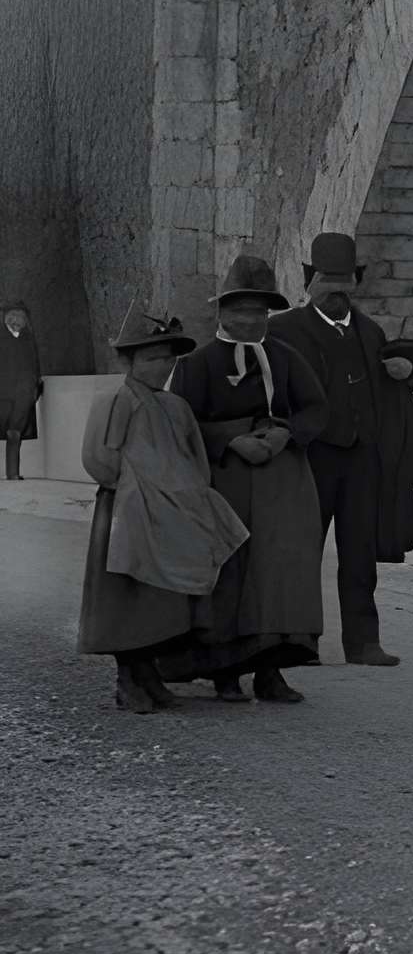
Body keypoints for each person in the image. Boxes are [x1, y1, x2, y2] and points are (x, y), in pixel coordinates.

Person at [265, 231, 413, 667]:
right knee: (300, 549)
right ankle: (299, 639)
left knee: (360, 552)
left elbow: (399, 385)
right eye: (328, 279)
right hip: (308, 458)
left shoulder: (371, 332)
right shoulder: (282, 329)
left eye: (345, 279)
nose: (337, 289)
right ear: (311, 282)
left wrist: (407, 374)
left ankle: (363, 641)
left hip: (361, 461)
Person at [169, 255, 328, 704]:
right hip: (226, 477)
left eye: (259, 312)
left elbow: (317, 409)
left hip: (283, 479)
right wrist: (229, 440)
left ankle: (271, 671)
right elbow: (182, 421)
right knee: (230, 569)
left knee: (279, 570)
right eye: (240, 310)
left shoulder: (287, 358)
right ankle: (224, 671)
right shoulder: (196, 364)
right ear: (221, 313)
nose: (249, 320)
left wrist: (284, 434)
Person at [77, 308, 248, 715]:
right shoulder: (115, 400)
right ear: (128, 362)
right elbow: (100, 458)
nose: (162, 367)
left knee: (162, 597)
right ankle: (127, 677)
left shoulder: (176, 407)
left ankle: (149, 671)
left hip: (176, 510)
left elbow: (194, 458)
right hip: (129, 508)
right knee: (127, 594)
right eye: (152, 359)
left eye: (167, 359)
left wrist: (189, 495)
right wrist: (137, 490)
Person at [0, 297, 41, 480]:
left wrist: (35, 387)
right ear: (5, 316)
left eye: (20, 316)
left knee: (15, 434)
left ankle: (13, 474)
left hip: (23, 395)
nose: (16, 320)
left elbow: (35, 365)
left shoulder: (28, 339)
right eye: (13, 315)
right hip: (3, 393)